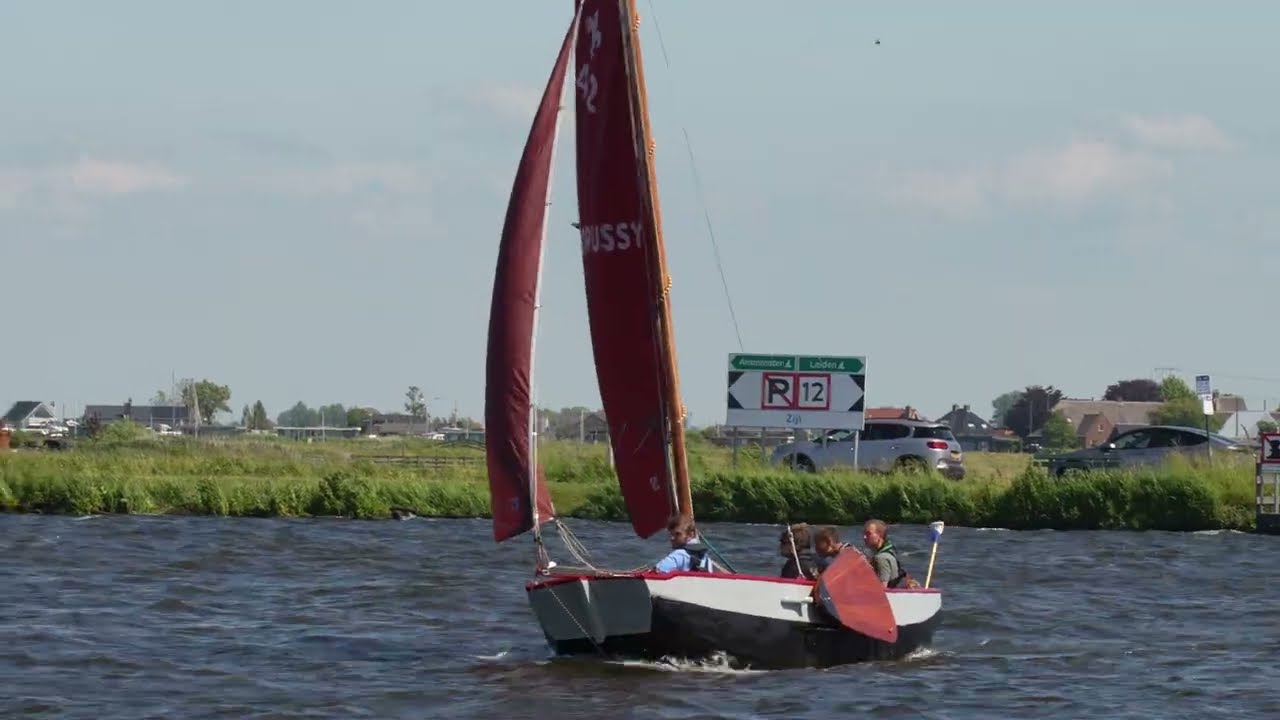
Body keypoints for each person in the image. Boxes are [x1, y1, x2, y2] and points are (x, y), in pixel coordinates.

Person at [861, 518, 917, 588]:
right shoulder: (889, 552)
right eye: (864, 533)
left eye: (868, 533)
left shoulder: (881, 558)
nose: (864, 537)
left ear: (880, 535)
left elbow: (882, 589)